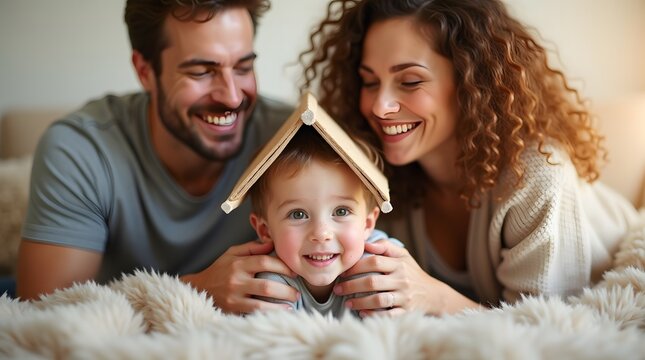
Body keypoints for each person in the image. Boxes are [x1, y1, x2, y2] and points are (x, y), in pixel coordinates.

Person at [299, 0, 642, 316]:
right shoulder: (376, 178)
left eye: (410, 81)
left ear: (469, 80)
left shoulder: (535, 173)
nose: (379, 105)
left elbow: (547, 335)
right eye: (369, 82)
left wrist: (436, 298)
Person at [16, 0, 301, 315]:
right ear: (145, 71)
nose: (232, 95)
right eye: (202, 71)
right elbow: (42, 316)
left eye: (244, 67)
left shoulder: (290, 139)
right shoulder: (80, 149)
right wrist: (194, 291)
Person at [246, 125, 403, 317]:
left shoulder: (381, 265)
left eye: (341, 211)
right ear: (265, 230)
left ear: (368, 224)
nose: (321, 233)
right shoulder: (269, 283)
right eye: (298, 214)